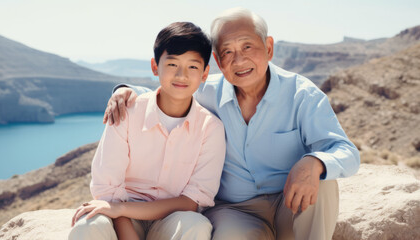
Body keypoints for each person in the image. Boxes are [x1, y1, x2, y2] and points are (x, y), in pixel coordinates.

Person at [104, 7, 360, 240]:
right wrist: (125, 90)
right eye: (228, 51)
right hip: (234, 212)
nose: (239, 60)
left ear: (269, 48)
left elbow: (346, 152)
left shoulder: (302, 94)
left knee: (323, 182)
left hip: (290, 203)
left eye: (248, 47)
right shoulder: (207, 92)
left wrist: (314, 162)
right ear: (217, 61)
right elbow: (170, 89)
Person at [69, 22, 226, 240]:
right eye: (172, 64)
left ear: (205, 73)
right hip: (121, 217)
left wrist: (122, 209)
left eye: (192, 67)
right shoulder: (126, 111)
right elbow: (107, 188)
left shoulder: (211, 129)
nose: (182, 75)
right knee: (88, 225)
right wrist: (124, 222)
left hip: (172, 218)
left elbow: (191, 201)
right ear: (155, 66)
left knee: (196, 226)